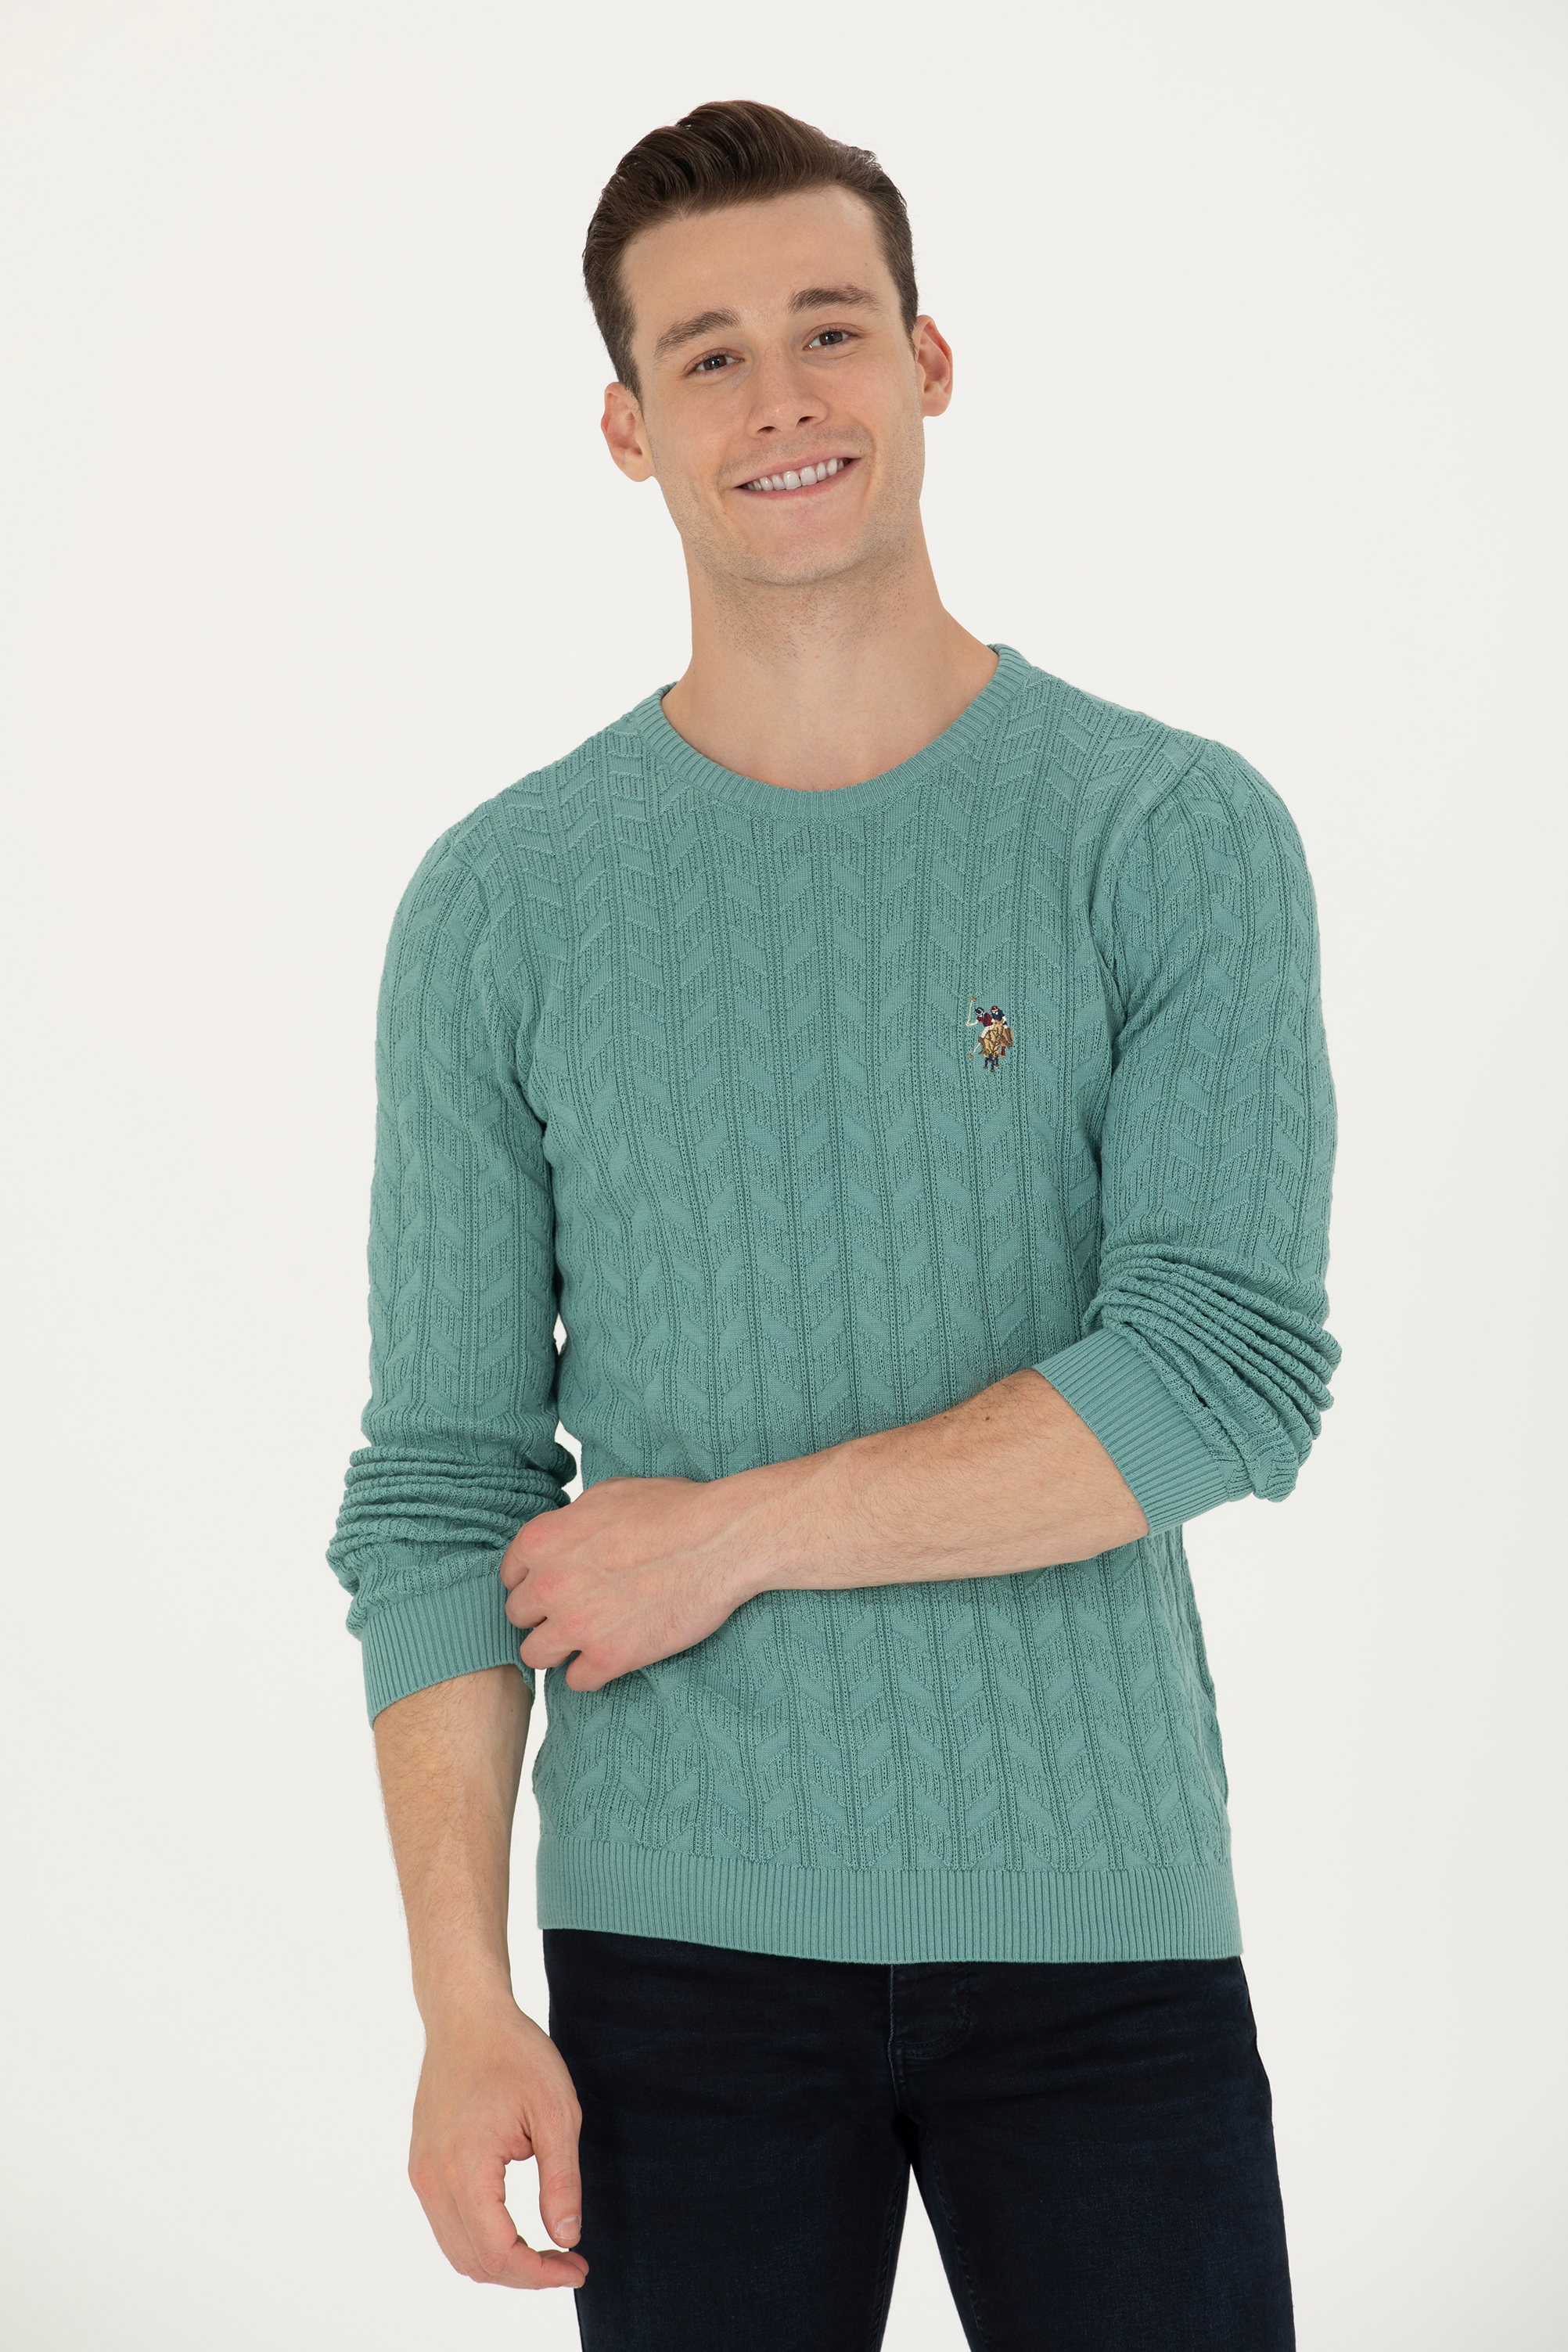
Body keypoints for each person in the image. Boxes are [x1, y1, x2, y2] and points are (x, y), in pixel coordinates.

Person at [326, 97, 1339, 2352]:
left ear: (926, 361)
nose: (778, 396)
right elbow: (443, 1489)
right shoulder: (504, 903)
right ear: (627, 427)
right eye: (706, 355)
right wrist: (461, 2004)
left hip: (1099, 1925)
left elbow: (1218, 1380)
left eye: (829, 329)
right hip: (669, 1966)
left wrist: (728, 1538)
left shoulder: (1164, 833)